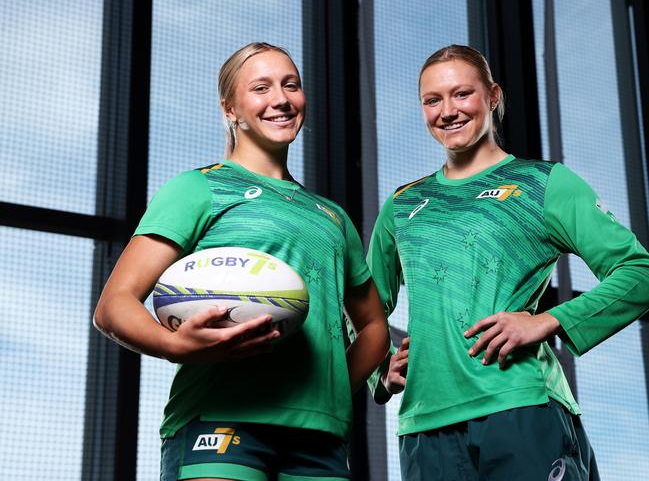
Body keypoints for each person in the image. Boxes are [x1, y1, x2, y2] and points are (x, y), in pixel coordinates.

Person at [93, 42, 389, 481]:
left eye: (291, 85)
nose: (281, 99)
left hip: (320, 437)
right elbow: (114, 305)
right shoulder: (197, 189)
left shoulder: (332, 216)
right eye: (261, 87)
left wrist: (331, 389)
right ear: (230, 108)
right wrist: (175, 345)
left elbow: (373, 325)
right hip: (219, 418)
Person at [367, 44, 649, 480]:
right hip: (424, 425)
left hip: (521, 408)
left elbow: (639, 273)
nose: (447, 111)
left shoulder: (544, 184)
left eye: (462, 94)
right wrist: (378, 369)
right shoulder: (404, 205)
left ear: (493, 96)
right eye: (432, 100)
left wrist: (548, 321)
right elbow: (361, 306)